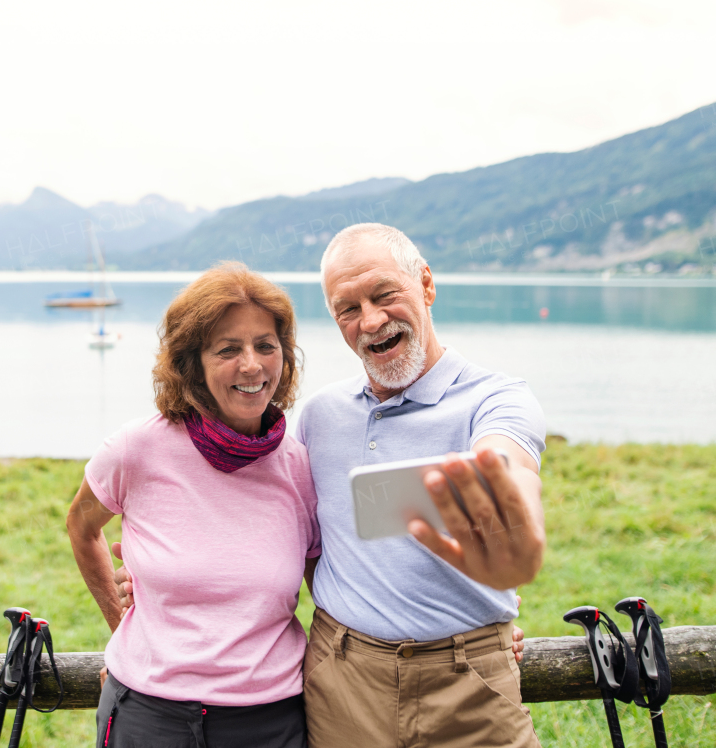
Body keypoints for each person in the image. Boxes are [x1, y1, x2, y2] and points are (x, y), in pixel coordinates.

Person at [116, 223, 547, 747]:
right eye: (348, 308)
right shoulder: (320, 416)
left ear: (427, 285)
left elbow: (506, 469)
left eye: (385, 294)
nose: (371, 320)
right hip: (340, 679)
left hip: (469, 679)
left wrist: (494, 597)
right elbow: (285, 528)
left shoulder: (498, 400)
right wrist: (165, 578)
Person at [66, 263, 320, 748]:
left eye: (266, 346)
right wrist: (123, 629)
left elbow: (333, 592)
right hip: (147, 716)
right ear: (192, 364)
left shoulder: (301, 467)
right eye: (228, 349)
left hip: (271, 724)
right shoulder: (135, 449)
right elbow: (81, 526)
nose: (252, 365)